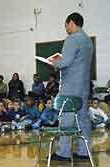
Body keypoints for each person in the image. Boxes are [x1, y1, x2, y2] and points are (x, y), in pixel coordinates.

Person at [49, 12, 94, 161]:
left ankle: (64, 153)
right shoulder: (88, 41)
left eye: (66, 25)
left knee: (66, 117)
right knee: (83, 118)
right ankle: (84, 151)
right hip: (83, 86)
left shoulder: (72, 39)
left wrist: (54, 63)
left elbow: (65, 62)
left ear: (71, 23)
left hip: (70, 86)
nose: (66, 28)